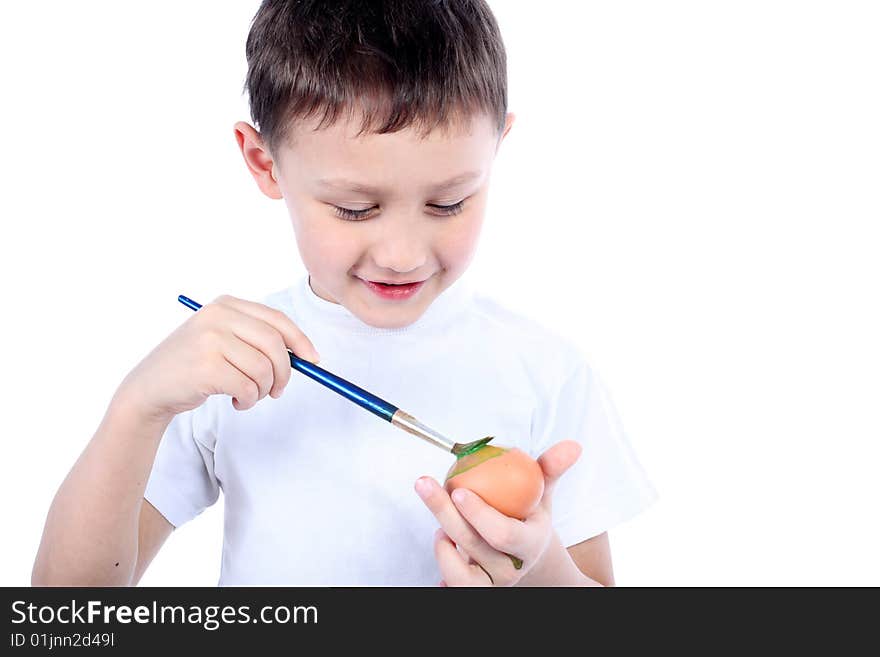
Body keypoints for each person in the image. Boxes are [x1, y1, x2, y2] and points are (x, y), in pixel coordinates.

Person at [32, 0, 656, 587]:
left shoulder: (547, 371)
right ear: (264, 163)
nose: (402, 254)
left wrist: (537, 567)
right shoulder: (227, 360)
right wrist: (138, 406)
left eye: (448, 203)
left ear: (496, 150)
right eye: (355, 209)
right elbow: (70, 609)